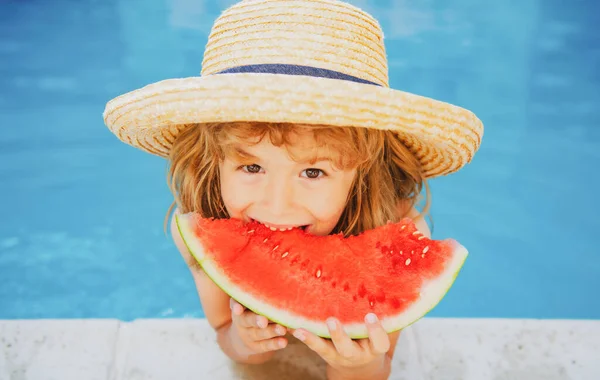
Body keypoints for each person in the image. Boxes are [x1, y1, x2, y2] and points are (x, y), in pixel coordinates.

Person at [102, 0, 483, 378]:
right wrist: (242, 339)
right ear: (210, 163)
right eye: (251, 167)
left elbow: (378, 369)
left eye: (313, 172)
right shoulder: (197, 230)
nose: (277, 204)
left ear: (363, 174)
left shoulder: (401, 237)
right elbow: (225, 336)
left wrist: (359, 363)